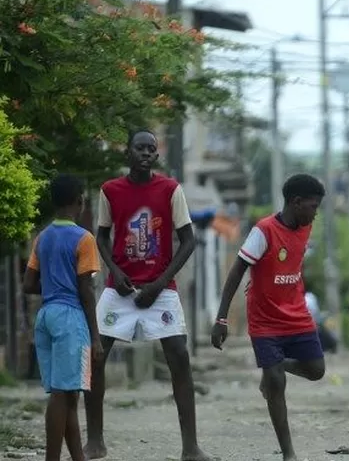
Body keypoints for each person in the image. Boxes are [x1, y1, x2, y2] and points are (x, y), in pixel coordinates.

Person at [84, 130, 210, 461]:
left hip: (161, 289)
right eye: (139, 148)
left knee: (179, 357)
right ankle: (94, 440)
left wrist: (159, 283)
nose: (145, 153)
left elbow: (188, 241)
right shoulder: (110, 191)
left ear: (156, 155)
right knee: (95, 355)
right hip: (119, 288)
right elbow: (101, 236)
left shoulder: (170, 189)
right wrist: (115, 271)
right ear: (128, 152)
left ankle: (190, 447)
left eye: (151, 149)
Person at [211, 174, 327, 461]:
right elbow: (237, 271)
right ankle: (288, 453)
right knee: (277, 383)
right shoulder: (263, 231)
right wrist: (221, 318)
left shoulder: (305, 225)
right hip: (265, 319)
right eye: (312, 206)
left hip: (297, 314)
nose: (315, 213)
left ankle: (272, 368)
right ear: (296, 202)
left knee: (316, 370)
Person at [23, 174, 104, 461]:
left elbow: (28, 285)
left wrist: (55, 286)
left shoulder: (42, 237)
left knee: (67, 395)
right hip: (71, 318)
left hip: (46, 317)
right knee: (63, 395)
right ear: (80, 201)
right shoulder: (84, 238)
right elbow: (86, 290)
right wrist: (95, 337)